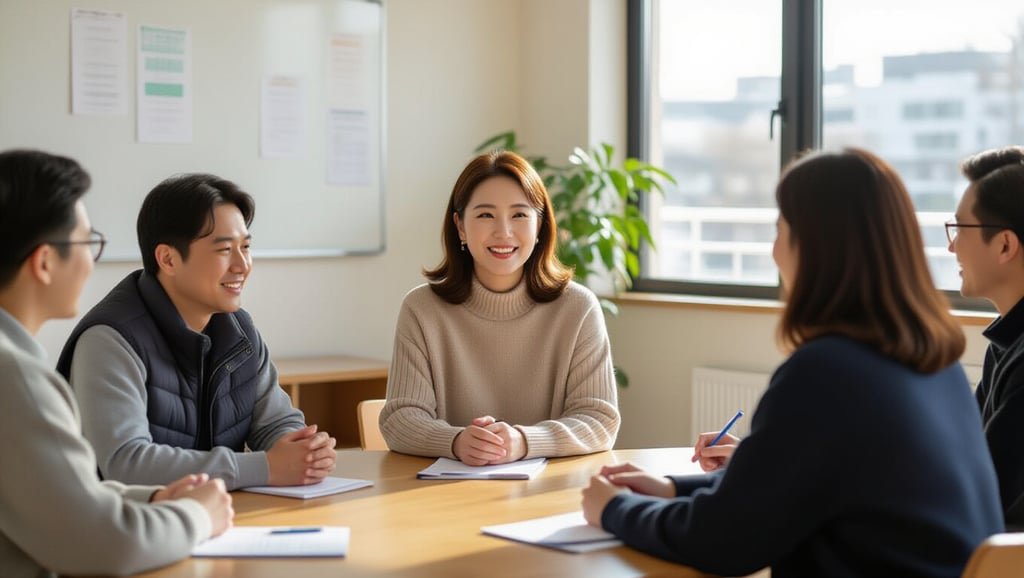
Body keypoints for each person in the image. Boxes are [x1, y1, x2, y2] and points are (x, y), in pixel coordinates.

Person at [581, 148, 1003, 577]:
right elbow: (789, 486)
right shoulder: (936, 361)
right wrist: (672, 488)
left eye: (780, 228)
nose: (773, 251)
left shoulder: (827, 372)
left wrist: (615, 509)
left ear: (816, 246)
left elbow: (723, 542)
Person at [0, 149, 233, 577]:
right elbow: (105, 546)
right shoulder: (15, 379)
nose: (92, 261)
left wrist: (153, 499)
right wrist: (198, 516)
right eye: (88, 242)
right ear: (45, 261)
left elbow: (54, 495)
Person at [56, 173, 337, 491]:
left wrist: (302, 449)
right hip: (131, 529)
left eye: (245, 247)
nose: (242, 265)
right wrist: (267, 467)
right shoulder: (111, 340)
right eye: (224, 250)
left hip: (214, 517)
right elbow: (126, 463)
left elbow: (274, 421)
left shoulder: (239, 331)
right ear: (168, 259)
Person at [379, 150, 620, 465]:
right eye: (485, 215)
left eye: (519, 215)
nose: (504, 232)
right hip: (448, 495)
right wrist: (456, 441)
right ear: (460, 227)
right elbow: (399, 419)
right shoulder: (422, 309)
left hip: (549, 495)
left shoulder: (577, 308)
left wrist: (523, 441)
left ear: (539, 225)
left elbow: (599, 420)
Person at [948, 145, 1024, 529]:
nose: (951, 245)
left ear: (1005, 245)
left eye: (960, 229)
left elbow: (981, 495)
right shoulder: (1007, 341)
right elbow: (969, 460)